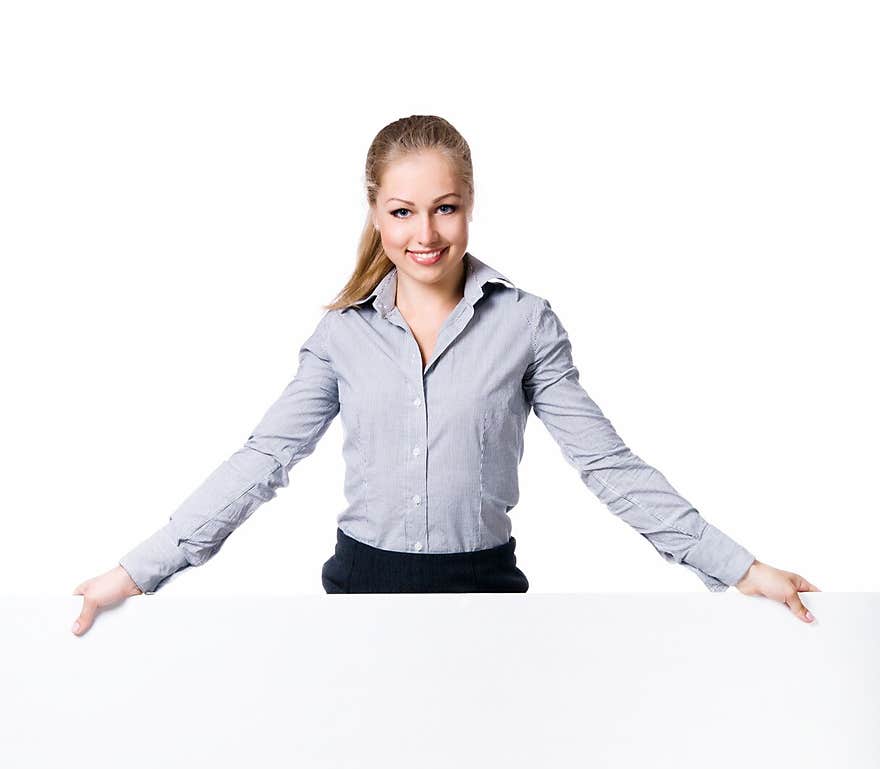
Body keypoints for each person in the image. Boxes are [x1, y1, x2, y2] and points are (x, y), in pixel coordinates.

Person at [72, 114, 820, 635]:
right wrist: (136, 571)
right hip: (360, 593)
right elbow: (262, 462)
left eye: (444, 208)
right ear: (374, 212)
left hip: (487, 596)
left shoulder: (526, 324)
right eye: (401, 212)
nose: (423, 234)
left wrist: (739, 566)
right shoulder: (341, 334)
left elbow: (607, 466)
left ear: (470, 206)